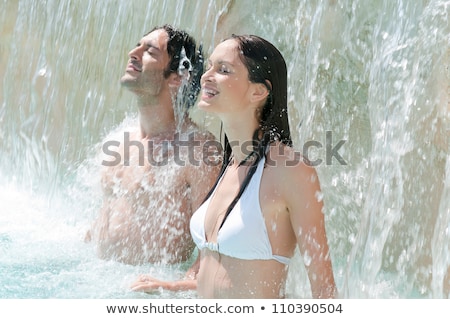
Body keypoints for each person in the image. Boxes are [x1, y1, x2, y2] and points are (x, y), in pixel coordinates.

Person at [130, 34, 337, 298]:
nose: (206, 76)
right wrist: (172, 287)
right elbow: (227, 276)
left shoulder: (291, 171)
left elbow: (325, 292)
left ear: (258, 91)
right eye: (209, 67)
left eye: (223, 70)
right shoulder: (230, 165)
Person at [85, 25, 220, 265]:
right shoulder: (118, 141)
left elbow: (213, 248)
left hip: (147, 294)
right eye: (138, 45)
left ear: (178, 77)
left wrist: (171, 287)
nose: (132, 53)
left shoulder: (198, 150)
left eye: (150, 51)